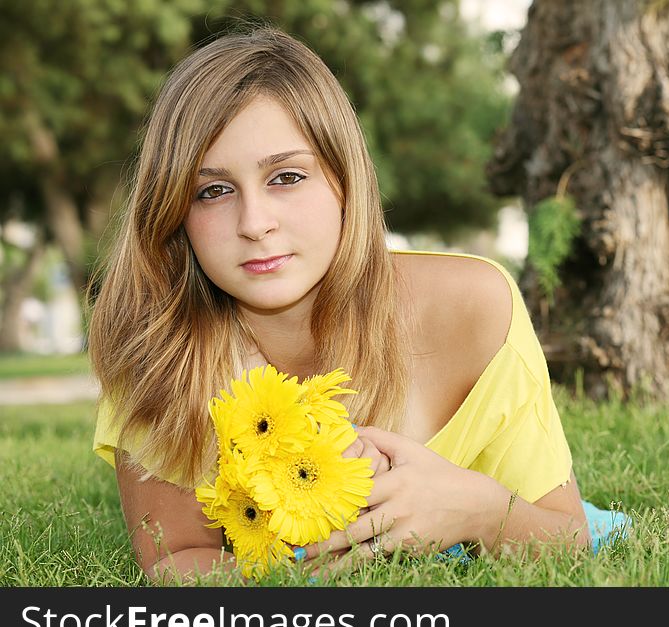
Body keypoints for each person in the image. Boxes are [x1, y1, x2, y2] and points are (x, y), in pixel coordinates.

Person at [88, 25, 630, 583]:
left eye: (287, 177)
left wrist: (477, 511)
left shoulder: (472, 307)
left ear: (344, 180)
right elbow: (175, 557)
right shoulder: (157, 347)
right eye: (214, 191)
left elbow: (569, 539)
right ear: (174, 210)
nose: (254, 224)